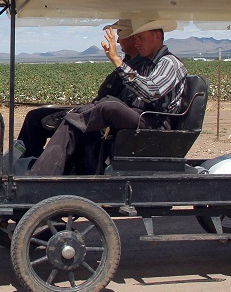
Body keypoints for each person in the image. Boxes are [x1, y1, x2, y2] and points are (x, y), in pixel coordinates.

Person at [27, 18, 187, 176]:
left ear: (157, 37)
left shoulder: (169, 63)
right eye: (135, 38)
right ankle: (45, 170)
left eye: (141, 38)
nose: (137, 43)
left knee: (109, 106)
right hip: (143, 115)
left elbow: (150, 92)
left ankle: (40, 177)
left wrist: (117, 61)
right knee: (81, 117)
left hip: (156, 123)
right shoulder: (148, 63)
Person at [15, 19, 143, 159]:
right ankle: (25, 161)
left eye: (120, 34)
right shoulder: (129, 63)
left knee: (36, 120)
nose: (117, 41)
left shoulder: (136, 68)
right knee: (36, 116)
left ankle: (25, 166)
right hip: (93, 113)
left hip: (99, 121)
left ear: (131, 38)